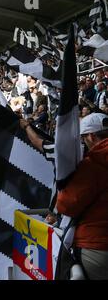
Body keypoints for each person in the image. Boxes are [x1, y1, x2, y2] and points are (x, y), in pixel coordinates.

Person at [56, 113, 108, 280]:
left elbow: (67, 206)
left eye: (84, 138)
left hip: (97, 245)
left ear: (91, 136)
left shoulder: (94, 164)